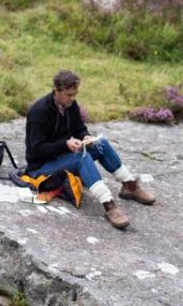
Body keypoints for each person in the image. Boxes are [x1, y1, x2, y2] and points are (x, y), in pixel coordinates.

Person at [25, 69, 155, 229]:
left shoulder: (70, 105)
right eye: (69, 95)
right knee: (81, 158)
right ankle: (109, 205)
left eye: (75, 94)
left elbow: (79, 128)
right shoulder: (39, 112)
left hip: (64, 156)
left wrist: (86, 137)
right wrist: (65, 144)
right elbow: (36, 149)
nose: (72, 99)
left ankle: (130, 186)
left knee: (102, 144)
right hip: (42, 167)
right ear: (56, 90)